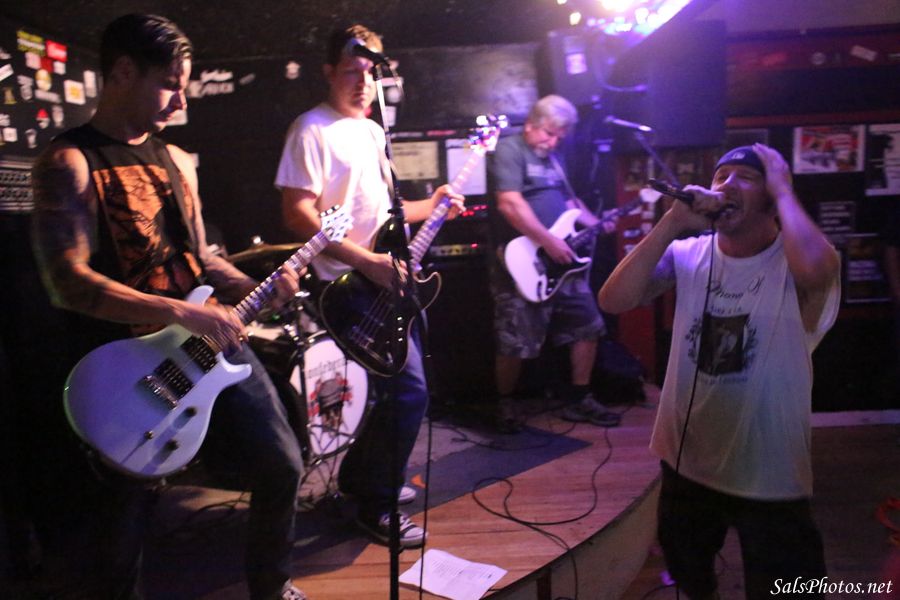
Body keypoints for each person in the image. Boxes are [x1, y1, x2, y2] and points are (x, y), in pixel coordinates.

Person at [30, 14, 306, 600]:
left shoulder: (176, 160)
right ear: (123, 73)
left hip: (210, 343)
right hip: (129, 364)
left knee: (282, 464)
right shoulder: (69, 162)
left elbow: (199, 259)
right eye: (169, 84)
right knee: (122, 522)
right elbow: (66, 282)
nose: (181, 100)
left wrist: (256, 286)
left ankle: (272, 585)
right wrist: (179, 312)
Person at [598, 144, 841, 599]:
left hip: (769, 467)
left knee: (790, 588)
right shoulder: (689, 254)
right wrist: (671, 223)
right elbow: (614, 300)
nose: (726, 185)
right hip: (686, 456)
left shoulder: (795, 259)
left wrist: (783, 190)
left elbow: (817, 271)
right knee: (689, 574)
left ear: (771, 196)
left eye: (745, 177)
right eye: (720, 176)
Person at [275, 24, 463, 549]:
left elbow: (383, 216)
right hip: (343, 285)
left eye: (371, 72)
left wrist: (435, 204)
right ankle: (375, 504)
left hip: (384, 279)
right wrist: (366, 262)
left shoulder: (374, 132)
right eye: (352, 71)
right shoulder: (311, 129)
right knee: (407, 390)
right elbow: (296, 214)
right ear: (328, 72)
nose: (363, 82)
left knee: (395, 394)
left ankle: (365, 482)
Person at [487, 94, 620, 433]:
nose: (553, 142)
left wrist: (597, 224)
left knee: (587, 325)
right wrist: (548, 241)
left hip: (564, 262)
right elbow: (509, 203)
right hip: (523, 259)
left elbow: (570, 202)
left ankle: (580, 398)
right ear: (531, 125)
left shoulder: (555, 159)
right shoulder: (510, 150)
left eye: (559, 136)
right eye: (548, 133)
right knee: (516, 337)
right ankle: (505, 403)